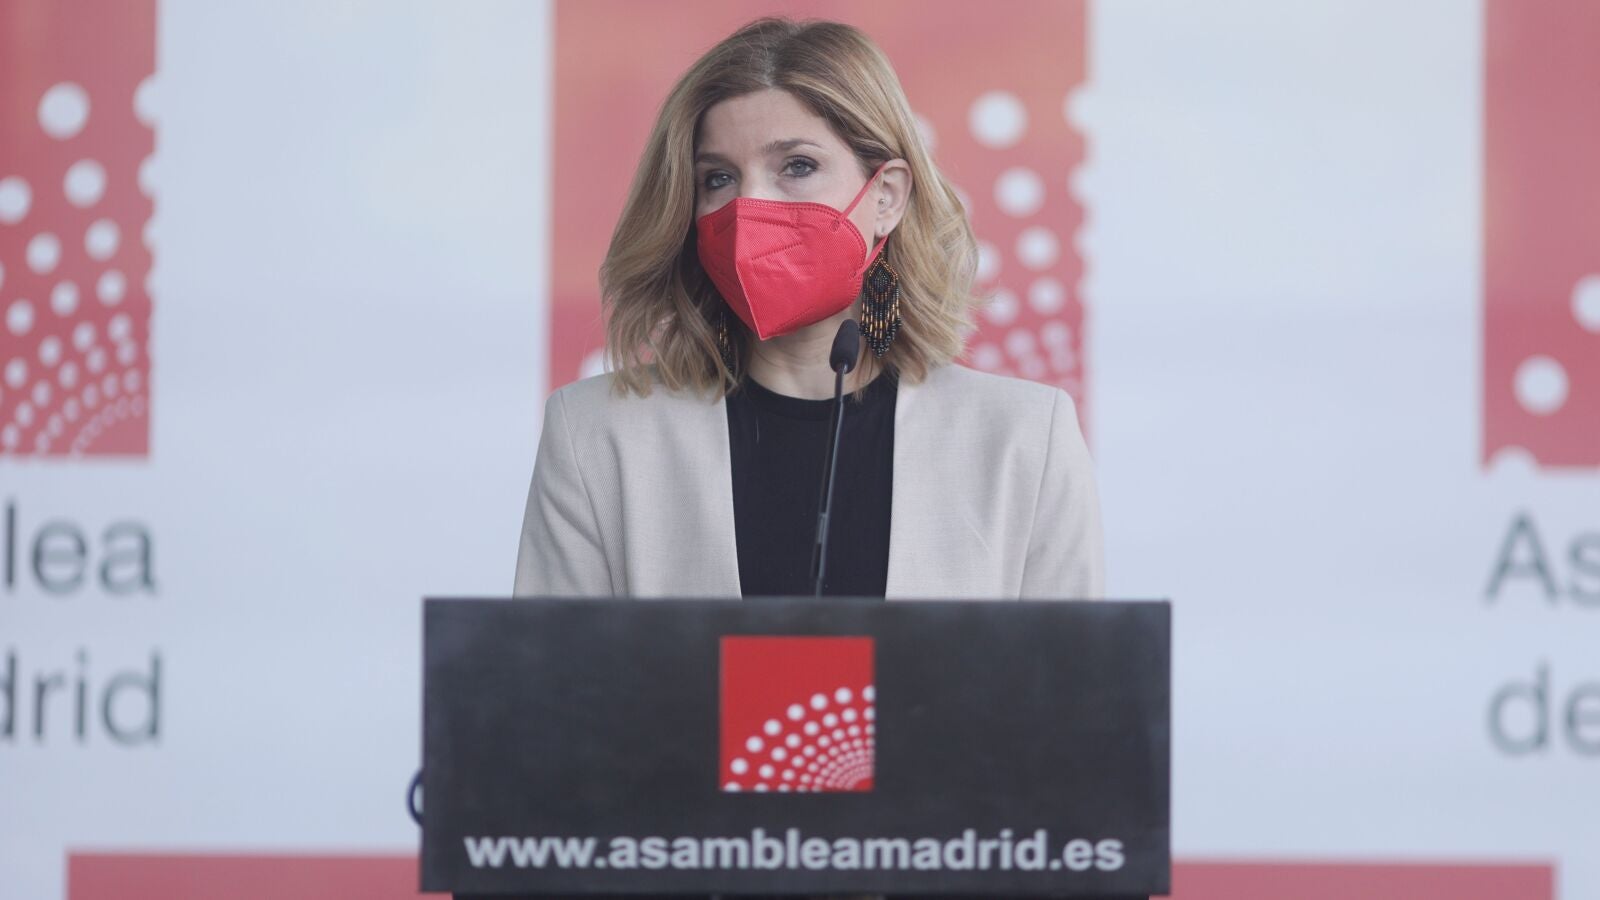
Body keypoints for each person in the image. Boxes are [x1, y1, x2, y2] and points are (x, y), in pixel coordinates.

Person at [514, 16, 1102, 601]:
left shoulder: (1025, 439)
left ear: (886, 197)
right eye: (718, 178)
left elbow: (1068, 665)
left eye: (797, 166)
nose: (749, 205)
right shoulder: (595, 436)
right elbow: (551, 664)